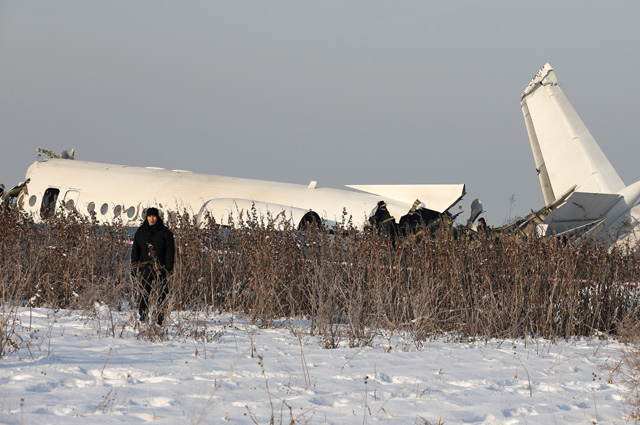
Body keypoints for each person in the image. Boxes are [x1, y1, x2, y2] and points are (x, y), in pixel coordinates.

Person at [131, 207, 175, 325]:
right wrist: (134, 267)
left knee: (162, 293)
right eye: (150, 216)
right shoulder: (141, 231)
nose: (152, 219)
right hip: (145, 267)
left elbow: (170, 252)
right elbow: (135, 250)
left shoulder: (165, 232)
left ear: (158, 217)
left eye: (154, 216)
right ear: (146, 217)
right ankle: (143, 317)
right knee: (144, 293)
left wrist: (168, 269)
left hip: (161, 268)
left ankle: (160, 318)